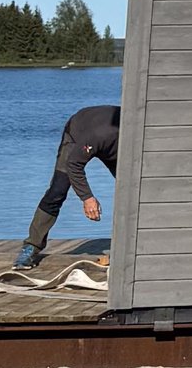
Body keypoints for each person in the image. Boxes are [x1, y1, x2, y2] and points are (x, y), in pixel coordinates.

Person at [13, 104, 121, 268]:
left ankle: (134, 242)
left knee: (136, 191)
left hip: (112, 145)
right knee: (58, 190)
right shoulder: (100, 134)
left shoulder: (143, 136)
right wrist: (87, 198)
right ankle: (31, 247)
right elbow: (74, 164)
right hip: (79, 133)